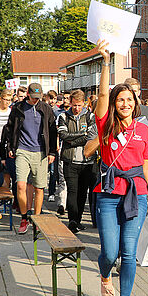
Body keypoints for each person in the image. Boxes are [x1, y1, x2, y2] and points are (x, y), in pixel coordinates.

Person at [93, 40, 148, 296]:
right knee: (110, 252)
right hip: (109, 192)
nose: (124, 104)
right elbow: (102, 97)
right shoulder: (105, 123)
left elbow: (146, 165)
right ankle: (105, 275)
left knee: (129, 253)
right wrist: (106, 63)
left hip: (137, 194)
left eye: (129, 100)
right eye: (120, 100)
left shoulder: (144, 129)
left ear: (136, 104)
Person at [1, 82, 58, 235]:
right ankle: (24, 217)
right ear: (28, 94)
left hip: (40, 152)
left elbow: (53, 131)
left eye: (38, 98)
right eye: (33, 97)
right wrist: (10, 148)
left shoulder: (46, 109)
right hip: (22, 150)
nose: (35, 100)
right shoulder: (18, 108)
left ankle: (37, 218)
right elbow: (10, 128)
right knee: (20, 185)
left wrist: (52, 152)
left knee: (39, 187)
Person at [58, 89, 97, 233]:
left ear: (84, 104)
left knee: (83, 193)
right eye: (74, 105)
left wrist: (74, 138)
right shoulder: (63, 116)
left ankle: (78, 220)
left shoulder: (90, 116)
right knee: (72, 191)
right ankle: (72, 221)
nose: (77, 108)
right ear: (70, 103)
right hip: (70, 160)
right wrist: (82, 135)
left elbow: (91, 137)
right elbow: (63, 136)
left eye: (79, 105)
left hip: (87, 162)